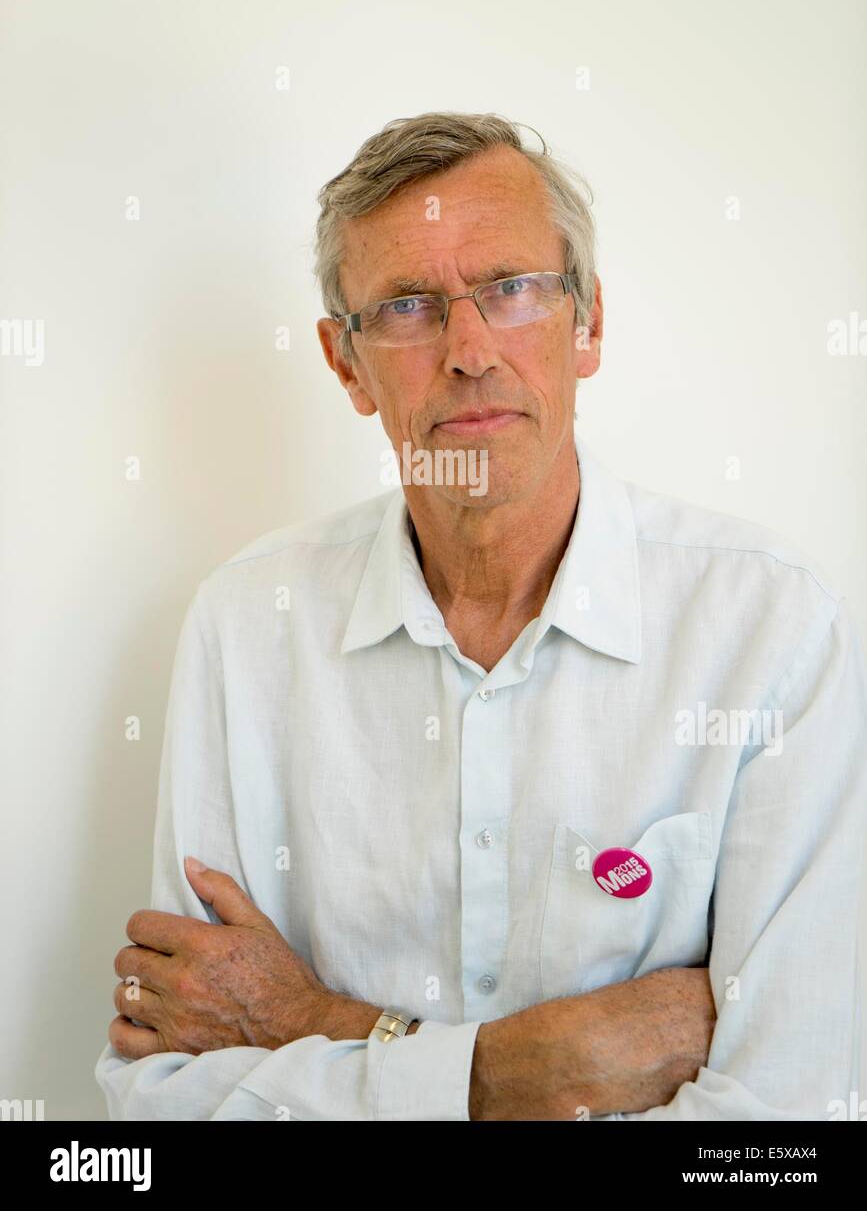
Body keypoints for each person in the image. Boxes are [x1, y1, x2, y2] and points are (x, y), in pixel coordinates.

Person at [95, 110, 867, 1120]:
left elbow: (783, 1133)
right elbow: (168, 1098)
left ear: (588, 324)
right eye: (409, 306)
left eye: (510, 291)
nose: (467, 349)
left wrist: (317, 1024)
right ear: (346, 364)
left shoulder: (771, 629)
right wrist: (528, 1071)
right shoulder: (246, 627)